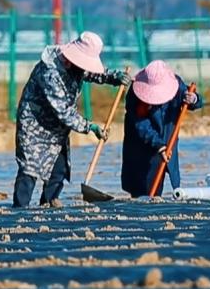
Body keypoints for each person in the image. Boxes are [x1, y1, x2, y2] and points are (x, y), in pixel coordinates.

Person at [13, 31, 131, 208]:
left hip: (55, 128)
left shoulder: (75, 66)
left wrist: (113, 77)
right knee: (30, 169)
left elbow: (92, 73)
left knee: (58, 168)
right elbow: (64, 112)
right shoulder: (50, 73)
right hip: (34, 125)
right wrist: (90, 127)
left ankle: (49, 203)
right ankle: (19, 211)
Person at [120, 60, 203, 198]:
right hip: (143, 145)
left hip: (168, 140)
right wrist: (159, 145)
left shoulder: (176, 85)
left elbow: (191, 98)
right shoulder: (135, 93)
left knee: (165, 176)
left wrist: (194, 99)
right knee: (144, 189)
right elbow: (141, 124)